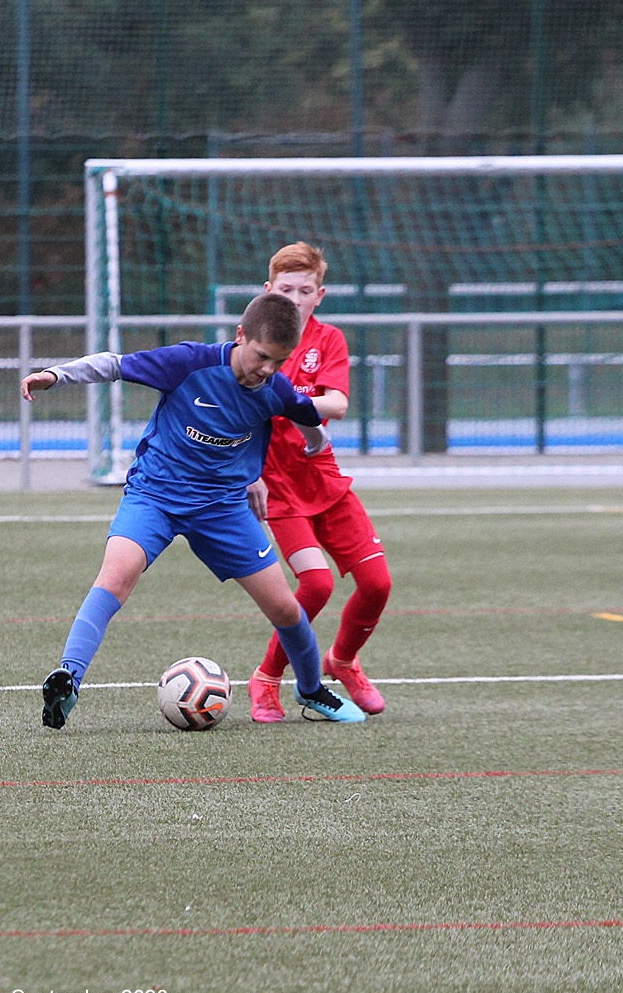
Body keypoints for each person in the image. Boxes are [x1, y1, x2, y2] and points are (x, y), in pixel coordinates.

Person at [20, 292, 366, 729]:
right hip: (155, 496)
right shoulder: (190, 363)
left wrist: (314, 448)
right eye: (261, 356)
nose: (267, 369)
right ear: (240, 335)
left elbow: (306, 418)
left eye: (279, 361)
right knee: (115, 577)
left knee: (284, 608)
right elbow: (113, 364)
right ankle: (68, 679)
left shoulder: (275, 388)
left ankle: (311, 689)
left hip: (222, 508)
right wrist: (55, 375)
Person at [246, 243, 391, 723]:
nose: (294, 299)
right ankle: (266, 679)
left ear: (319, 295)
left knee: (377, 584)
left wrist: (284, 400)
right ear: (268, 291)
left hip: (324, 478)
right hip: (278, 486)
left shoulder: (328, 340)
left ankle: (343, 661)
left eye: (304, 291)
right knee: (316, 584)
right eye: (285, 290)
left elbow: (338, 405)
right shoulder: (251, 343)